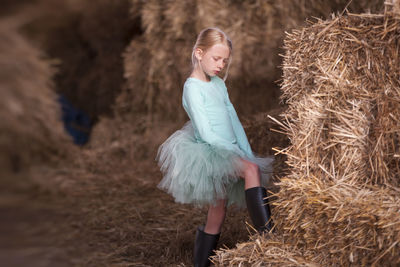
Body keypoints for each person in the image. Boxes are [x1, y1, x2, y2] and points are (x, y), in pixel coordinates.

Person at [156, 27, 274, 267]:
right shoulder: (192, 88)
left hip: (229, 148)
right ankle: (269, 237)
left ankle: (201, 264)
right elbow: (206, 131)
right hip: (210, 152)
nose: (220, 65)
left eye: (225, 60)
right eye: (216, 58)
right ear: (199, 53)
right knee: (251, 171)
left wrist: (245, 150)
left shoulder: (218, 84)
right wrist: (232, 154)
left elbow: (233, 119)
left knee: (217, 212)